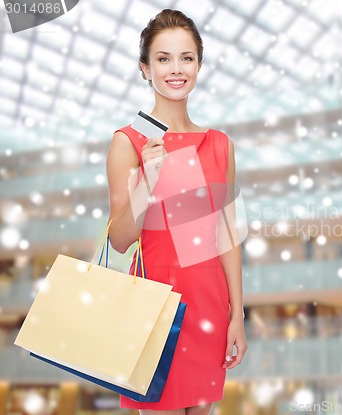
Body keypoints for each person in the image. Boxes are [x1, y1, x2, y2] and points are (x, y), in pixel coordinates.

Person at [105, 9, 247, 415]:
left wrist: (237, 315)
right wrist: (147, 182)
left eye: (186, 57)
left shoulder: (220, 144)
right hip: (154, 306)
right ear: (145, 69)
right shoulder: (128, 142)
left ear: (199, 64)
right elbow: (120, 240)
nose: (175, 69)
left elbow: (227, 235)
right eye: (163, 59)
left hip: (209, 307)